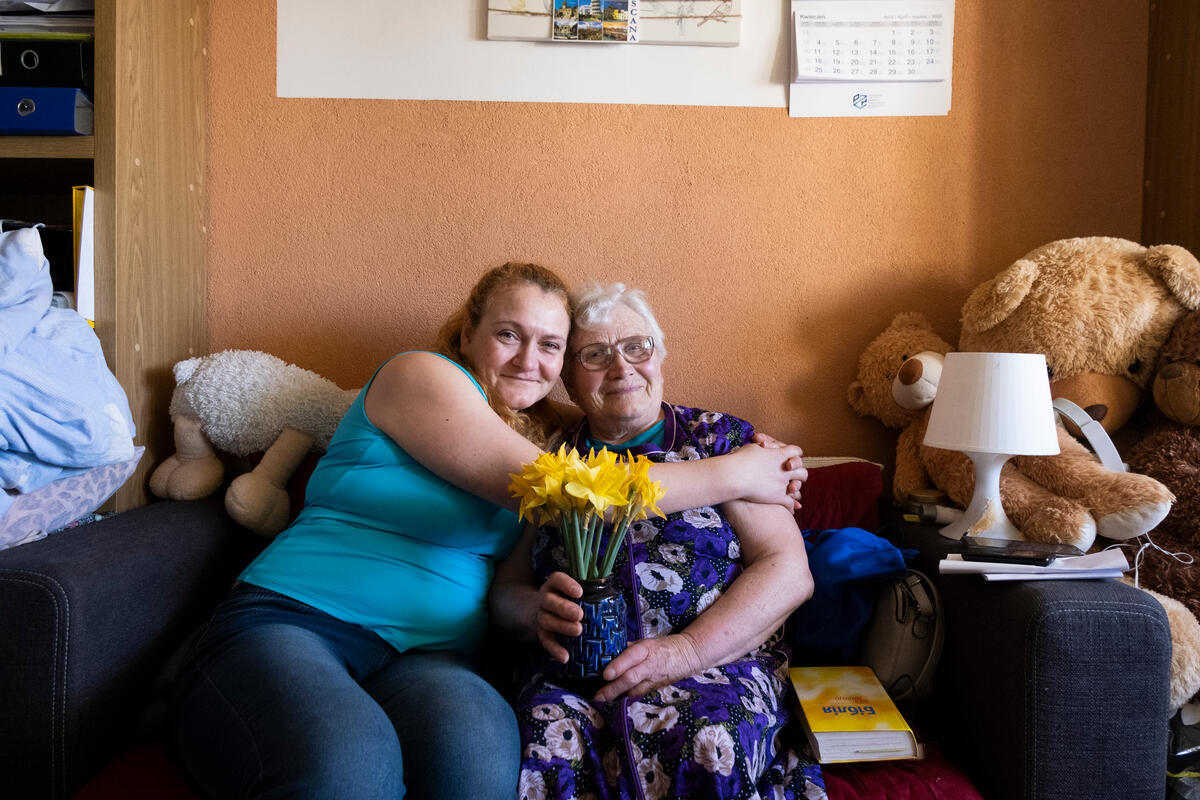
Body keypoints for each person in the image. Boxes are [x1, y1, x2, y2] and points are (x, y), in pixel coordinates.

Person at [169, 263, 809, 800]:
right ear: (468, 331)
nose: (530, 360)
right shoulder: (420, 376)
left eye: (551, 346)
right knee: (348, 768)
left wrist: (765, 462)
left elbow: (603, 441)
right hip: (296, 617)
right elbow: (581, 496)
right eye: (509, 334)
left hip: (430, 656)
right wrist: (743, 471)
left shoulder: (547, 435)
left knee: (475, 769)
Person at [490, 282, 825, 800]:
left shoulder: (722, 442)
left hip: (719, 665)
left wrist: (687, 651)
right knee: (542, 746)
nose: (621, 367)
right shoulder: (550, 463)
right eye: (595, 355)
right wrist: (535, 609)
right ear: (571, 385)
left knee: (707, 742)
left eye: (637, 347)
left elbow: (787, 571)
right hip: (573, 677)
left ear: (661, 357)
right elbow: (506, 587)